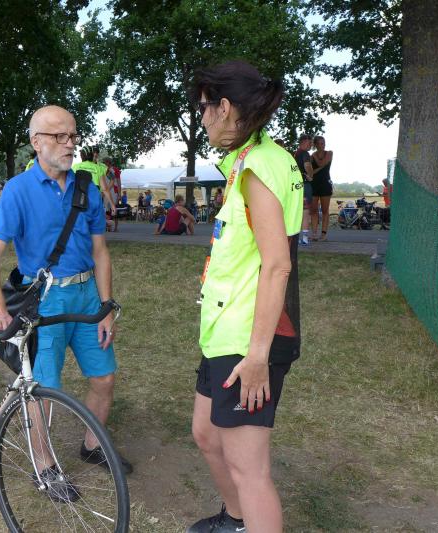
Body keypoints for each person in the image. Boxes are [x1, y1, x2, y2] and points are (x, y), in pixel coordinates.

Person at [0, 105, 133, 475]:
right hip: (43, 302)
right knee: (43, 389)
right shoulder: (18, 190)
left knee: (104, 377)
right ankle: (44, 465)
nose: (70, 144)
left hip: (87, 296)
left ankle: (92, 446)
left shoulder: (87, 188)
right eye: (59, 136)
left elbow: (100, 251)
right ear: (36, 142)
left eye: (73, 136)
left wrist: (106, 306)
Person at [188, 60, 302, 533]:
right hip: (225, 330)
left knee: (249, 469)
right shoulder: (248, 160)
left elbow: (277, 266)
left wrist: (257, 357)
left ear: (225, 107)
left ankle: (247, 518)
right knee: (205, 433)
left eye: (203, 109)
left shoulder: (258, 167)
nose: (201, 120)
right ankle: (236, 521)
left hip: (249, 340)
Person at [310, 135, 333, 241]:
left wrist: (315, 158)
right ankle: (314, 234)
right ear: (315, 144)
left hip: (325, 184)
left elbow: (321, 163)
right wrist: (315, 169)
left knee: (325, 210)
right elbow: (310, 172)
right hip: (314, 185)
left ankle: (323, 234)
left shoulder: (329, 153)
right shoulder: (312, 156)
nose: (321, 145)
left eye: (323, 143)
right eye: (319, 143)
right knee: (314, 210)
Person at [294, 134, 314, 246]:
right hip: (304, 185)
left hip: (294, 185)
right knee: (305, 211)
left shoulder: (294, 153)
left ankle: (295, 238)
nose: (311, 145)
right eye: (309, 142)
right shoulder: (305, 153)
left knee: (296, 211)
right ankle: (305, 239)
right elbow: (307, 166)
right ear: (303, 142)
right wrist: (311, 175)